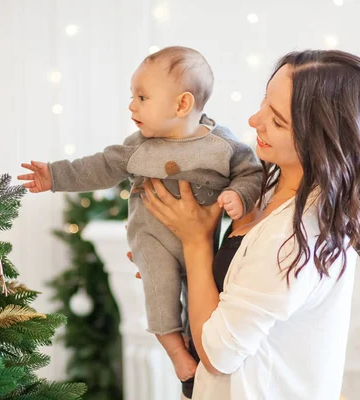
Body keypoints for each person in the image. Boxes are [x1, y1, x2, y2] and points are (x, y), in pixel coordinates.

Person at [140, 49, 360, 399]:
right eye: (265, 101)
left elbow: (218, 354)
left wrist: (195, 243)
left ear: (321, 140)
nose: (253, 120)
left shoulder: (294, 235)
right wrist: (173, 262)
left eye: (277, 120)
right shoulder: (270, 193)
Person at [17, 46, 263, 381]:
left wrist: (239, 195)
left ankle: (200, 347)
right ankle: (176, 352)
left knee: (207, 300)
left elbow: (251, 173)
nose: (132, 105)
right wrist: (55, 175)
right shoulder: (139, 145)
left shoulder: (223, 146)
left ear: (183, 104)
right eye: (133, 96)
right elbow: (100, 166)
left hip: (203, 244)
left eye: (142, 97)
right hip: (152, 240)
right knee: (159, 289)